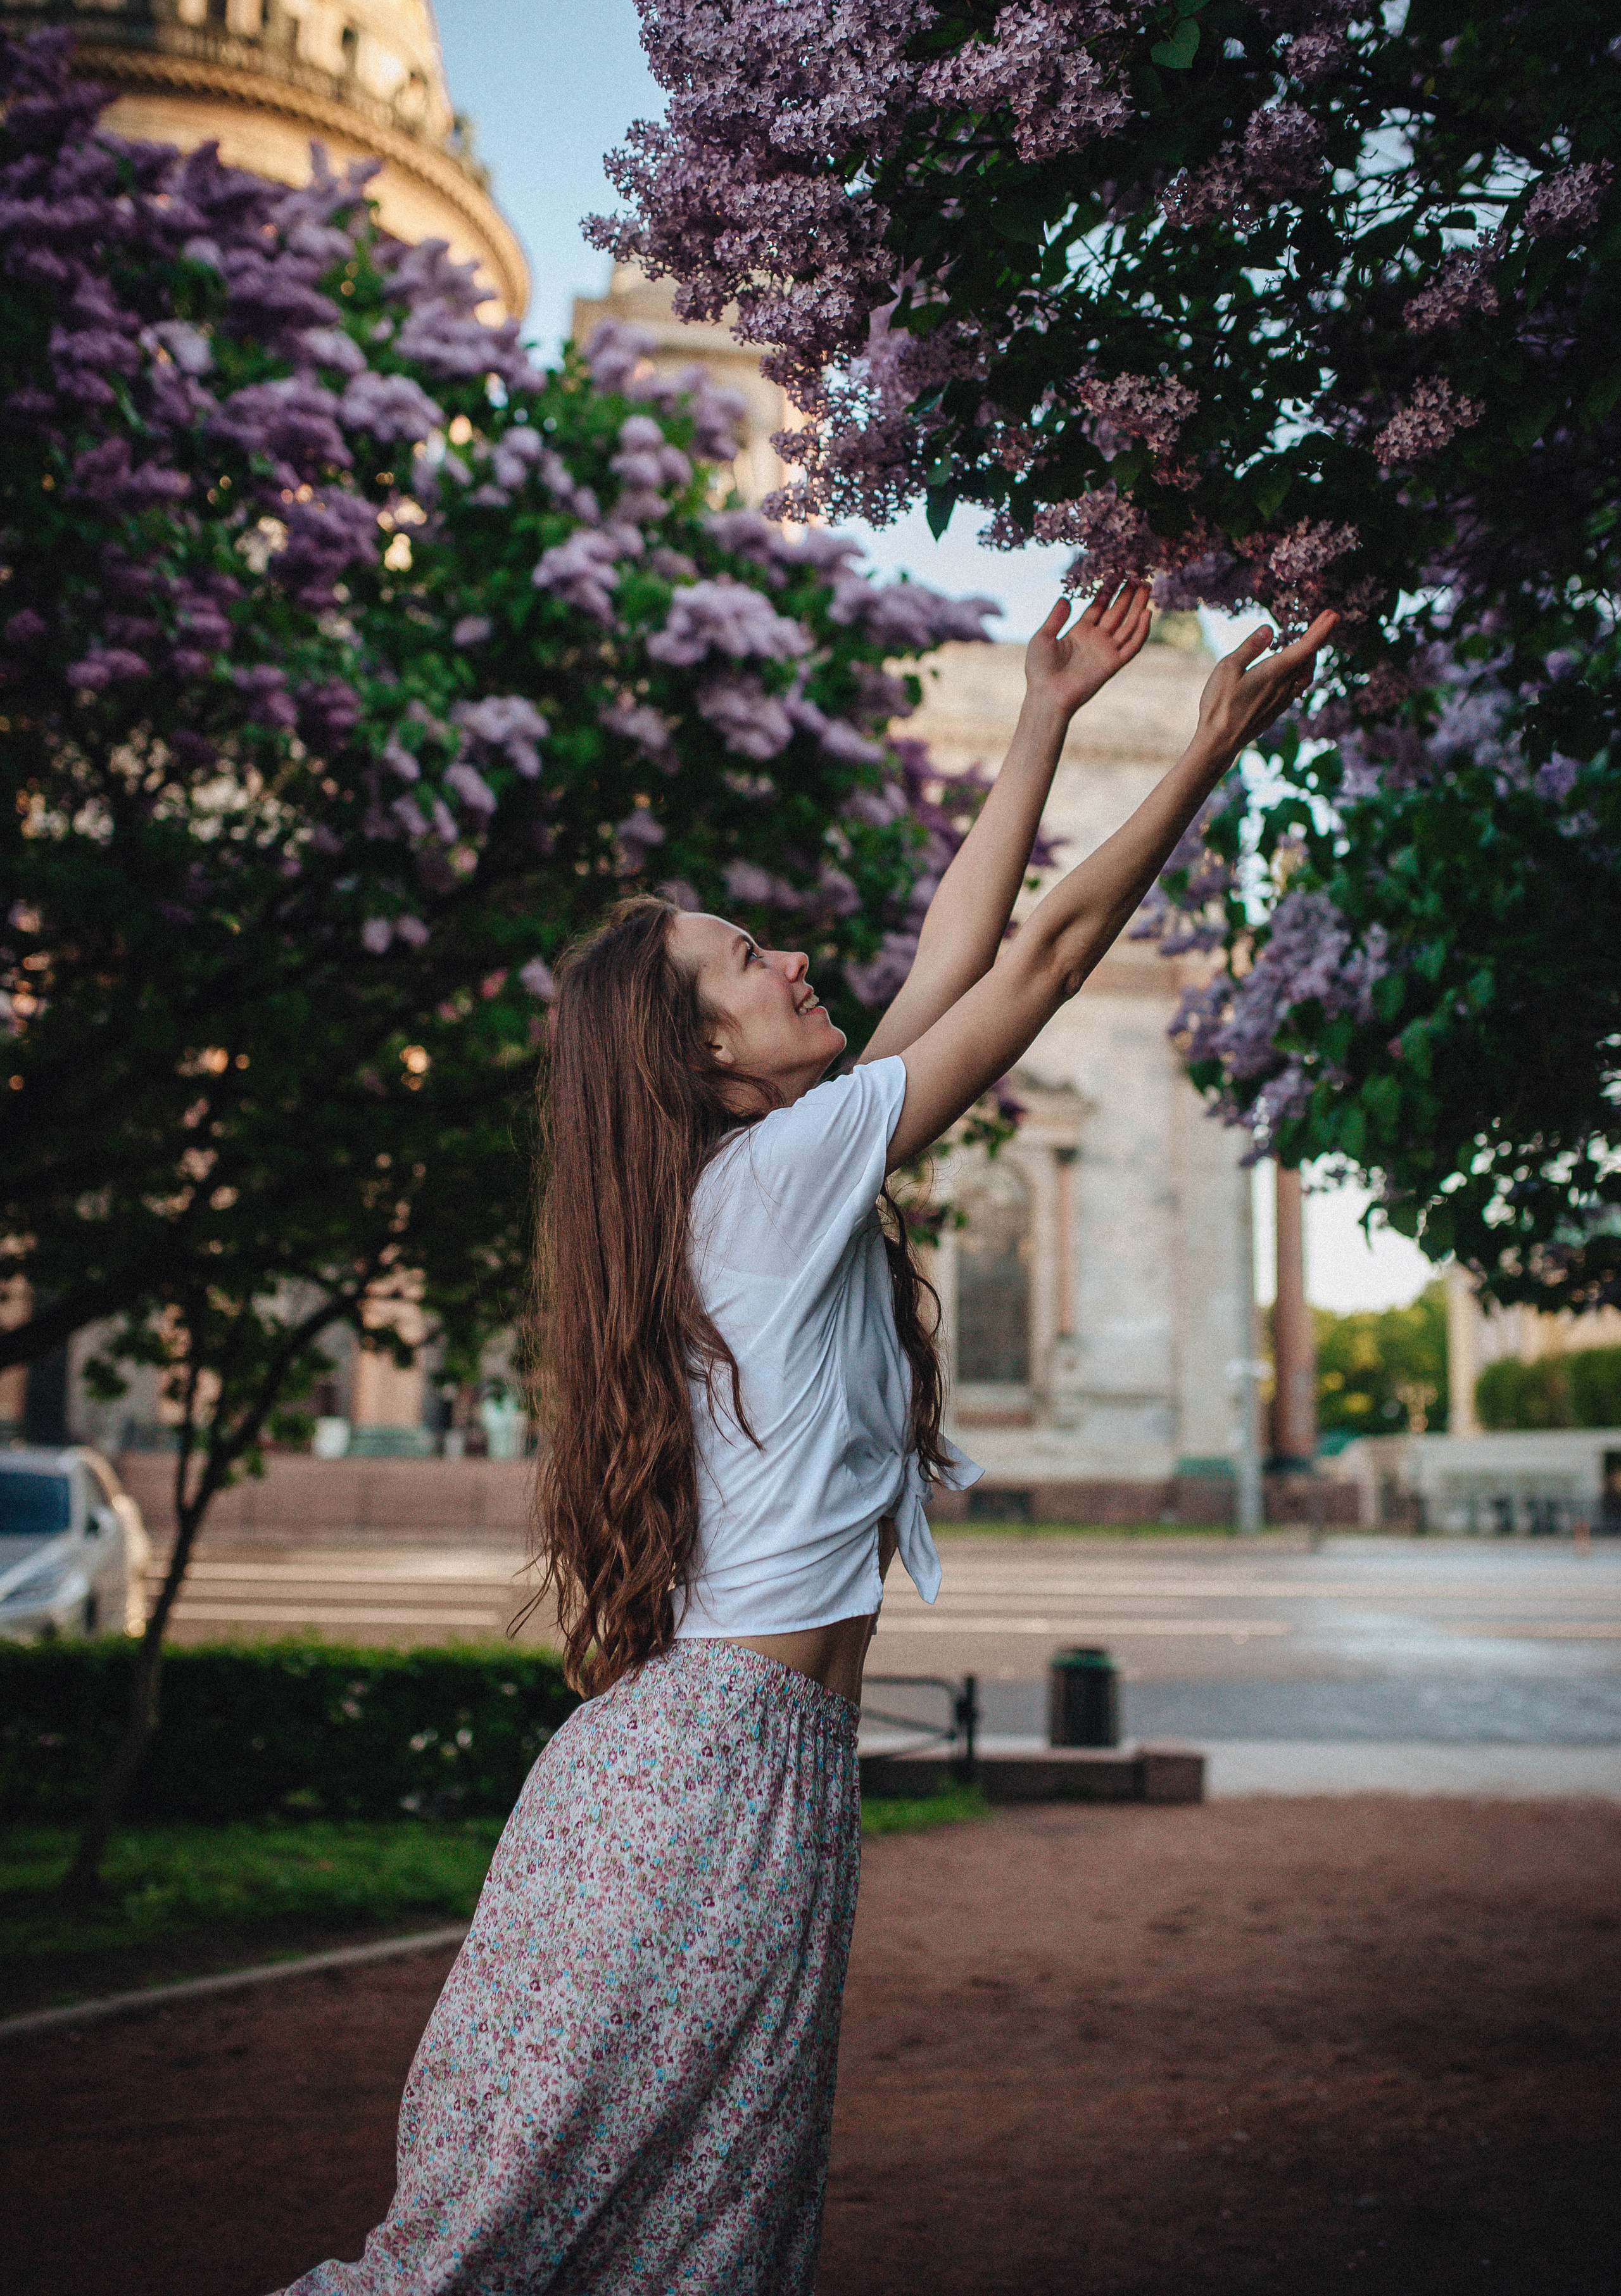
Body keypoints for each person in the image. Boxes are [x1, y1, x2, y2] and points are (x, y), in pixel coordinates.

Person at [272, 585, 1335, 2296]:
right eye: (743, 958)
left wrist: (1045, 715)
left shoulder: (772, 1176)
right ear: (702, 1047)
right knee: (480, 2263)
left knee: (695, 2251)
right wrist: (1205, 745)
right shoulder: (771, 1182)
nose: (788, 958)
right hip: (697, 1792)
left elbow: (947, 967)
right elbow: (1039, 964)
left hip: (731, 1783)